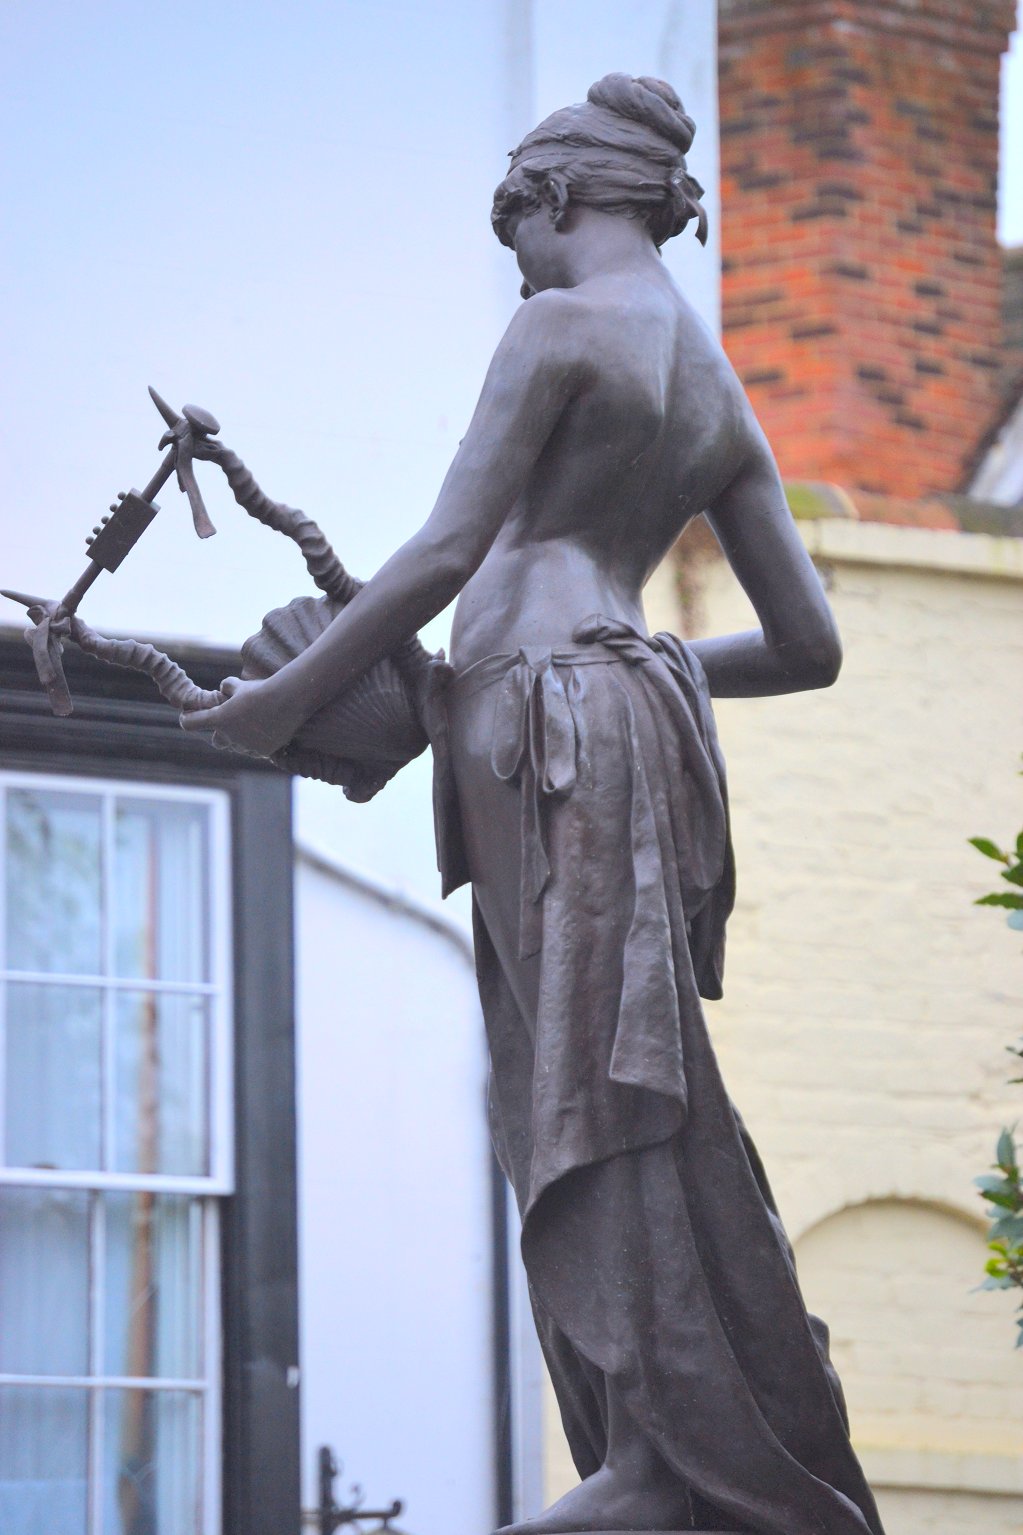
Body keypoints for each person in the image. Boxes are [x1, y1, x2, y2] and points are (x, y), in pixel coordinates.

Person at [182, 73, 886, 1535]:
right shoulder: (712, 380)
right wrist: (645, 663)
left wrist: (277, 701)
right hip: (603, 719)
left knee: (580, 1077)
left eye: (512, 233)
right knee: (617, 1066)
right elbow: (809, 645)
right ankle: (672, 1434)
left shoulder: (559, 326)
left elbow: (446, 550)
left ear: (555, 197)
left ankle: (662, 1453)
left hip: (544, 736)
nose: (514, 265)